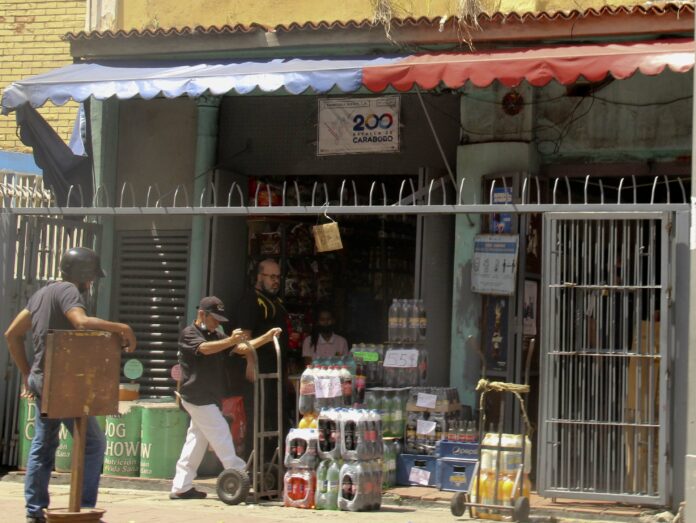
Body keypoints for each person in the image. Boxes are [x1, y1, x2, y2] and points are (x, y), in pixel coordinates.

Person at [4, 246, 137, 523]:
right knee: (92, 443)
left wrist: (29, 373)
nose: (91, 284)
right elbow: (81, 322)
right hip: (65, 380)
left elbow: (11, 334)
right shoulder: (68, 292)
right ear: (83, 275)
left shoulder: (42, 294)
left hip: (44, 378)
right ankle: (84, 507)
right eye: (90, 279)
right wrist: (122, 328)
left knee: (43, 444)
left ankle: (35, 511)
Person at [170, 296, 281, 500]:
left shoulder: (216, 335)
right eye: (215, 319)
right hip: (196, 395)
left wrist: (266, 336)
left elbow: (241, 348)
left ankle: (181, 486)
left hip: (210, 396)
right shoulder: (189, 334)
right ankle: (238, 474)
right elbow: (203, 349)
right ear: (202, 314)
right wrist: (230, 340)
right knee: (221, 432)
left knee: (195, 441)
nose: (218, 323)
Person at [234, 259, 289, 473]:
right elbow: (243, 339)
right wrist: (250, 363)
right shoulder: (252, 301)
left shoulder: (275, 301)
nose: (276, 281)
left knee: (274, 419)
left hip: (274, 372)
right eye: (271, 276)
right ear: (259, 276)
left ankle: (270, 466)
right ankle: (251, 467)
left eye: (278, 277)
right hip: (259, 371)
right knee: (257, 420)